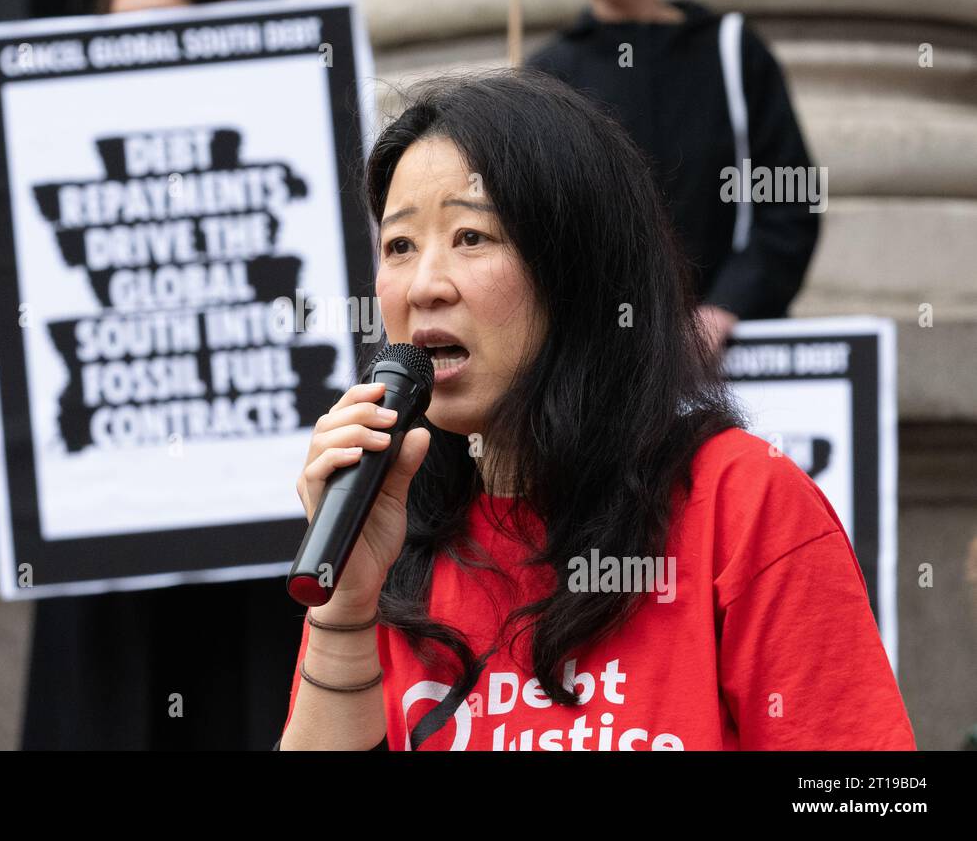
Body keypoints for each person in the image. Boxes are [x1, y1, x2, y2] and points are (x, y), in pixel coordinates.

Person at [276, 70, 914, 750]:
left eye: (471, 237)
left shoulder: (741, 502)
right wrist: (343, 612)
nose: (425, 285)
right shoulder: (386, 529)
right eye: (399, 245)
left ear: (578, 271)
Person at [0, 0, 305, 749]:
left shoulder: (280, 137)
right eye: (122, 28)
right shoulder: (55, 147)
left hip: (247, 538)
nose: (140, 48)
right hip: (108, 538)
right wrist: (10, 287)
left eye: (165, 27)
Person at [525, 0, 821, 356]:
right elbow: (540, 234)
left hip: (735, 357)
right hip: (606, 366)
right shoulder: (544, 78)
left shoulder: (731, 51)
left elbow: (789, 198)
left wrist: (726, 307)